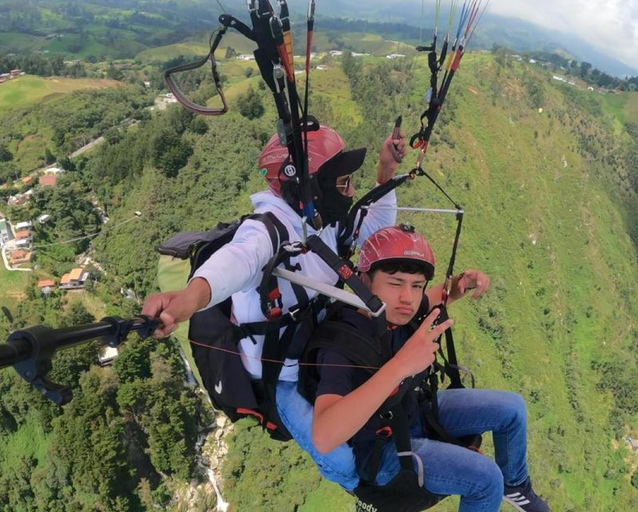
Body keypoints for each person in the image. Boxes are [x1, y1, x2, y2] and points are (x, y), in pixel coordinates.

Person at [142, 126, 407, 491]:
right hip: (283, 377)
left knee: (394, 398)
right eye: (342, 181)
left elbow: (373, 234)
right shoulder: (266, 232)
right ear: (309, 186)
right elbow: (236, 262)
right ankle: (362, 492)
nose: (349, 191)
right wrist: (188, 299)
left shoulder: (320, 222)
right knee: (343, 460)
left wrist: (385, 174)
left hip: (324, 349)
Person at [304, 225, 550, 512]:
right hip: (383, 450)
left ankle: (516, 485)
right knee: (485, 479)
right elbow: (323, 437)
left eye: (416, 285)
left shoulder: (395, 310)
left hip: (413, 412)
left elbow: (433, 298)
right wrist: (400, 366)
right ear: (364, 281)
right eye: (395, 284)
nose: (408, 297)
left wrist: (460, 284)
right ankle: (499, 485)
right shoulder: (343, 342)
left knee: (513, 409)